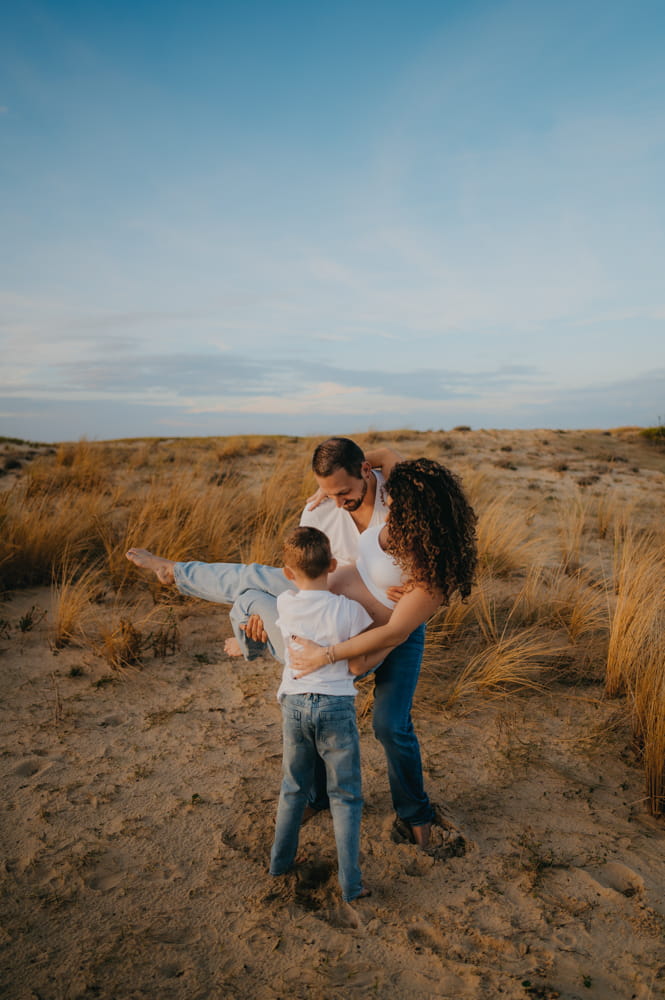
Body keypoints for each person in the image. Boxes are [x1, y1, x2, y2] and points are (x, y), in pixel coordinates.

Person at [126, 443, 476, 851]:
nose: (388, 499)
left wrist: (327, 654)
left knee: (389, 726)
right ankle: (178, 573)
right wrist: (329, 490)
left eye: (395, 500)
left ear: (426, 518)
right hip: (330, 602)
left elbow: (393, 634)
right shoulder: (394, 503)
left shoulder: (432, 574)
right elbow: (389, 454)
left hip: (370, 638)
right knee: (253, 581)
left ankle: (415, 812)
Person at [269, 525, 373, 902]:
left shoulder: (284, 602)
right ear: (332, 564)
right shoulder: (350, 610)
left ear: (288, 572)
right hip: (335, 706)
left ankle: (279, 863)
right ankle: (351, 884)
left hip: (294, 704)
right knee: (345, 796)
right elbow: (358, 662)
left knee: (293, 789)